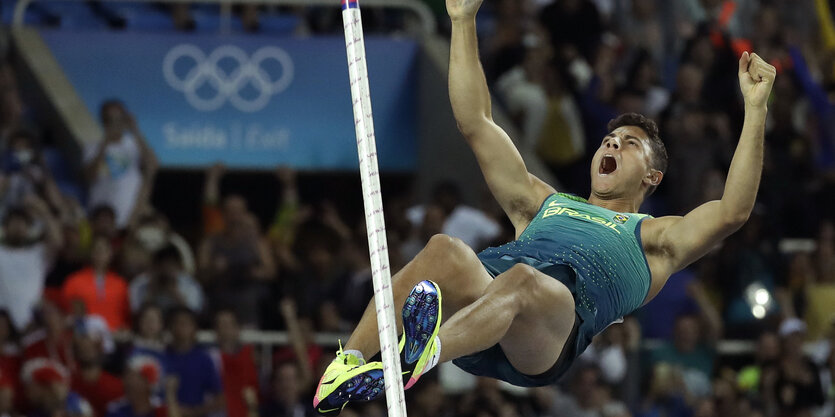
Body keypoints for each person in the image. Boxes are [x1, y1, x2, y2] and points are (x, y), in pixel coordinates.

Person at [311, 0, 777, 414]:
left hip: (545, 335)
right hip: (483, 309)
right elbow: (476, 123)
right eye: (609, 139)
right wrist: (462, 20)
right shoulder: (545, 204)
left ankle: (413, 359)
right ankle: (347, 364)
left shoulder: (656, 239)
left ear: (652, 176)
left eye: (629, 144)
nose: (611, 144)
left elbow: (732, 211)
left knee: (524, 281)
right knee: (445, 250)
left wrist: (755, 111)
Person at [83, 100, 157, 230]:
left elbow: (152, 166)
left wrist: (135, 130)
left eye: (118, 118)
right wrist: (105, 143)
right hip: (101, 218)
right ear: (103, 121)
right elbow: (89, 177)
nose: (114, 123)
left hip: (129, 215)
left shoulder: (134, 145)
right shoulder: (92, 147)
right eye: (109, 119)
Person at [0, 196, 62, 331]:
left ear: (28, 229)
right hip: (3, 323)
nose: (17, 226)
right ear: (4, 228)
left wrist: (44, 212)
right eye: (13, 222)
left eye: (22, 223)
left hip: (32, 323)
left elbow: (57, 241)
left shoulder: (37, 253)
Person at [163, 307, 224, 417]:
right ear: (170, 328)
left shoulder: (203, 359)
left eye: (186, 323)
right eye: (177, 323)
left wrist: (193, 412)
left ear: (194, 328)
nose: (181, 327)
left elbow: (220, 399)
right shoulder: (161, 356)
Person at [61, 235, 131, 331]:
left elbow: (126, 316)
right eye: (97, 250)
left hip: (115, 337)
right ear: (91, 253)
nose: (100, 254)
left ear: (110, 254)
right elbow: (67, 311)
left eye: (104, 250)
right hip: (84, 336)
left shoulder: (121, 284)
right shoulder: (74, 281)